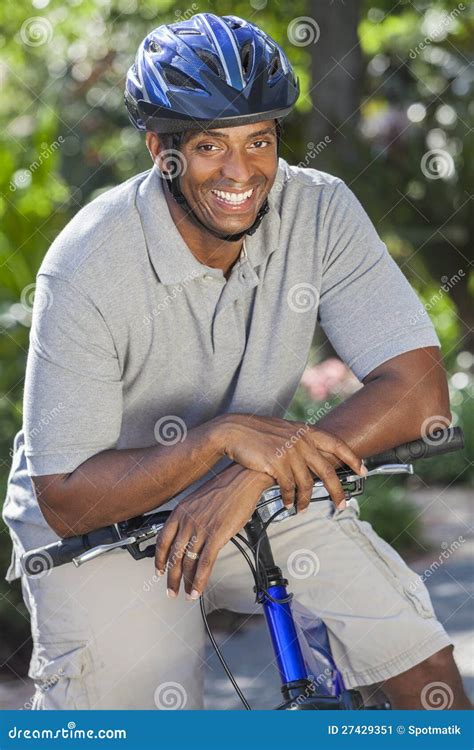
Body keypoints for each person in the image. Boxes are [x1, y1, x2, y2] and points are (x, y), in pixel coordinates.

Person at [3, 12, 470, 710]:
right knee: (143, 713)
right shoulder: (87, 264)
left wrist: (245, 477)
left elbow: (421, 393)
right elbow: (68, 497)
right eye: (209, 146)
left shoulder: (318, 212)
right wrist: (223, 439)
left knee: (410, 650)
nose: (241, 171)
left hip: (260, 481)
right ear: (161, 148)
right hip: (104, 525)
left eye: (259, 140)